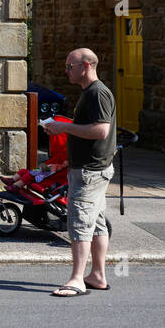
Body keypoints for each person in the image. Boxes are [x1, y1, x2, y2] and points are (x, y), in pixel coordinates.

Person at [42, 48, 117, 297]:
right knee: (95, 224)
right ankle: (97, 275)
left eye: (69, 66)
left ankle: (77, 280)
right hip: (92, 169)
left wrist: (63, 127)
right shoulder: (91, 93)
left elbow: (101, 131)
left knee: (80, 223)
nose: (66, 71)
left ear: (85, 66)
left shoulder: (97, 93)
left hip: (89, 172)